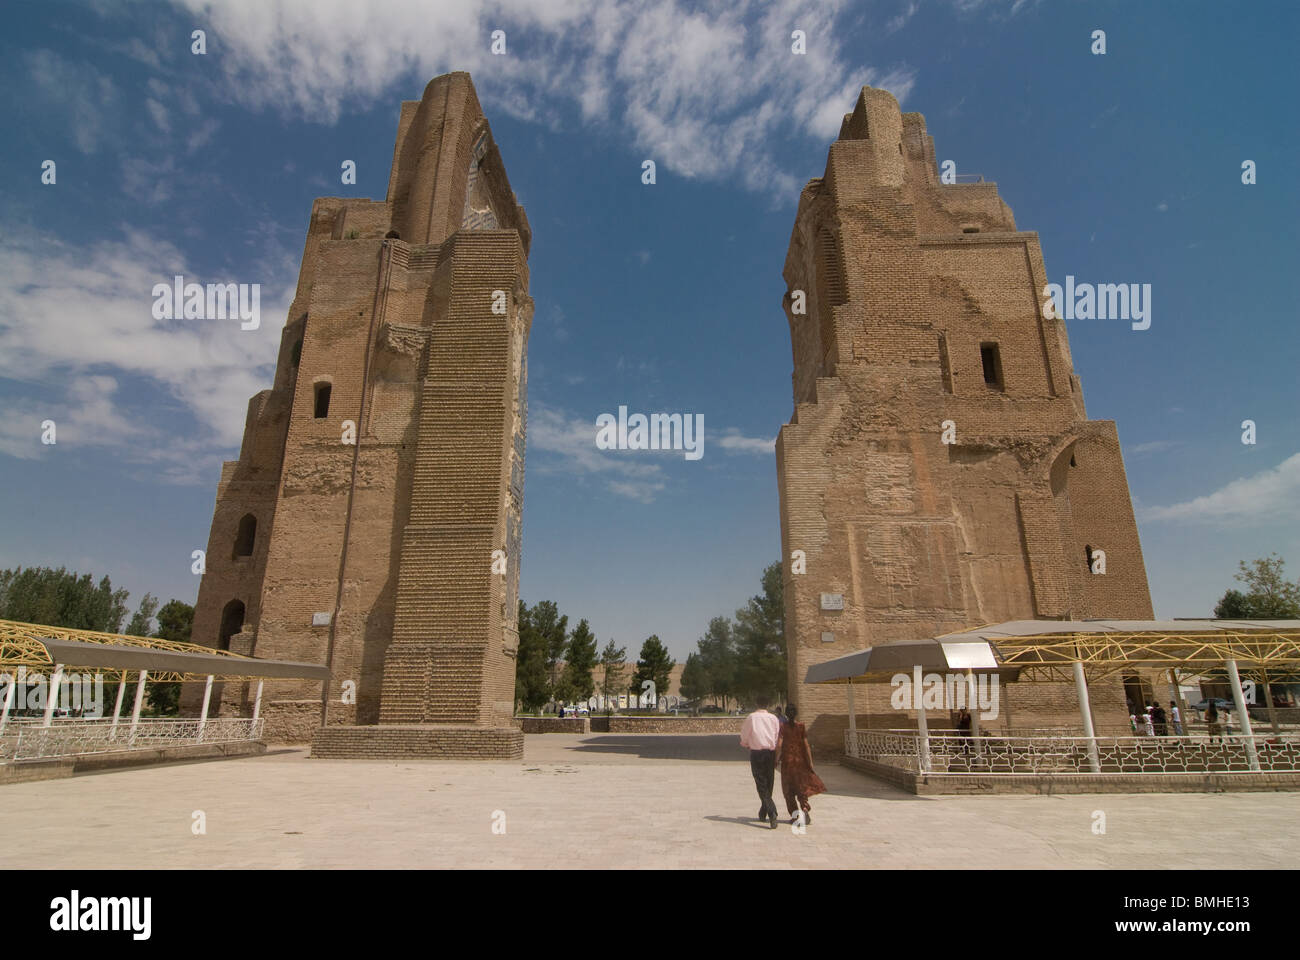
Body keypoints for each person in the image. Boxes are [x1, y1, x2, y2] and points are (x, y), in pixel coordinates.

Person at [774, 704, 826, 826]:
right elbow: (806, 745)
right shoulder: (801, 726)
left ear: (786, 714)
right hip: (800, 762)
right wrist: (810, 762)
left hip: (788, 764)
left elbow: (780, 745)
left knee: (789, 791)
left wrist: (776, 759)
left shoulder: (783, 727)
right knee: (801, 787)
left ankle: (796, 816)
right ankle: (805, 808)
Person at [740, 695, 782, 829]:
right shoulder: (773, 718)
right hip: (770, 753)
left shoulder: (751, 717)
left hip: (757, 753)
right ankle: (763, 811)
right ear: (768, 704)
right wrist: (776, 756)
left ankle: (771, 812)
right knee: (769, 782)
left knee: (761, 783)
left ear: (756, 703)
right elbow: (776, 737)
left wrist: (745, 743)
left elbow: (745, 734)